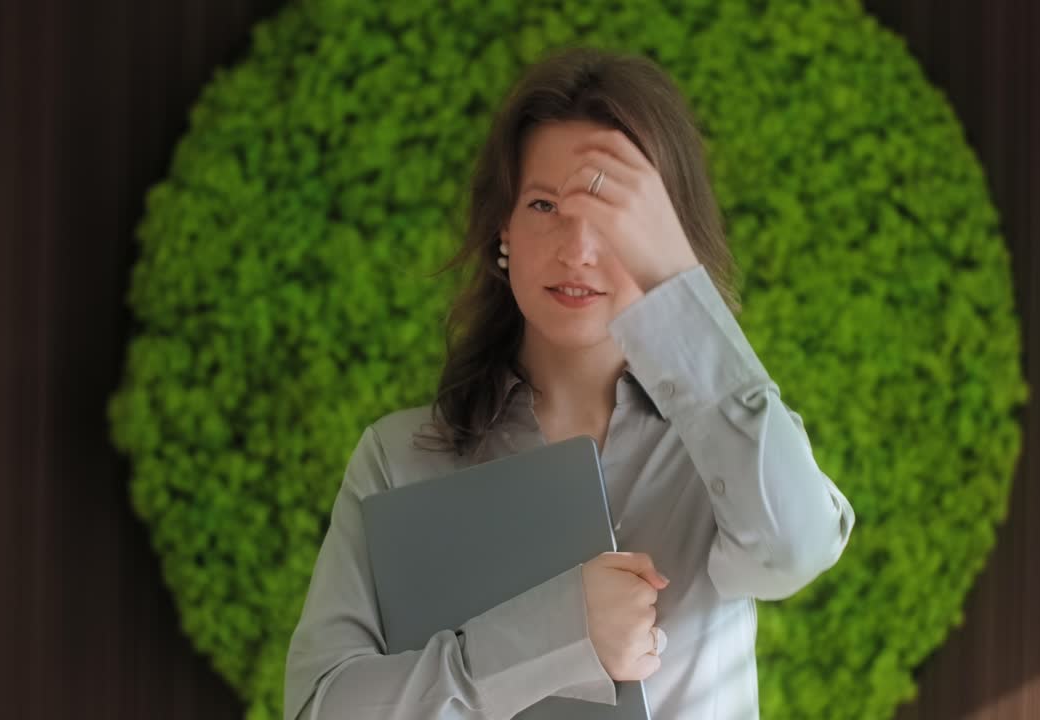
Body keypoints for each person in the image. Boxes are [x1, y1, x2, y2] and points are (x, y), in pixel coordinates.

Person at [283, 46, 855, 720]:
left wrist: (674, 278)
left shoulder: (727, 450)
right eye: (545, 205)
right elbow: (319, 708)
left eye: (612, 211)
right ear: (504, 229)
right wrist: (556, 634)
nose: (577, 248)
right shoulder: (401, 455)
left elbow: (797, 548)